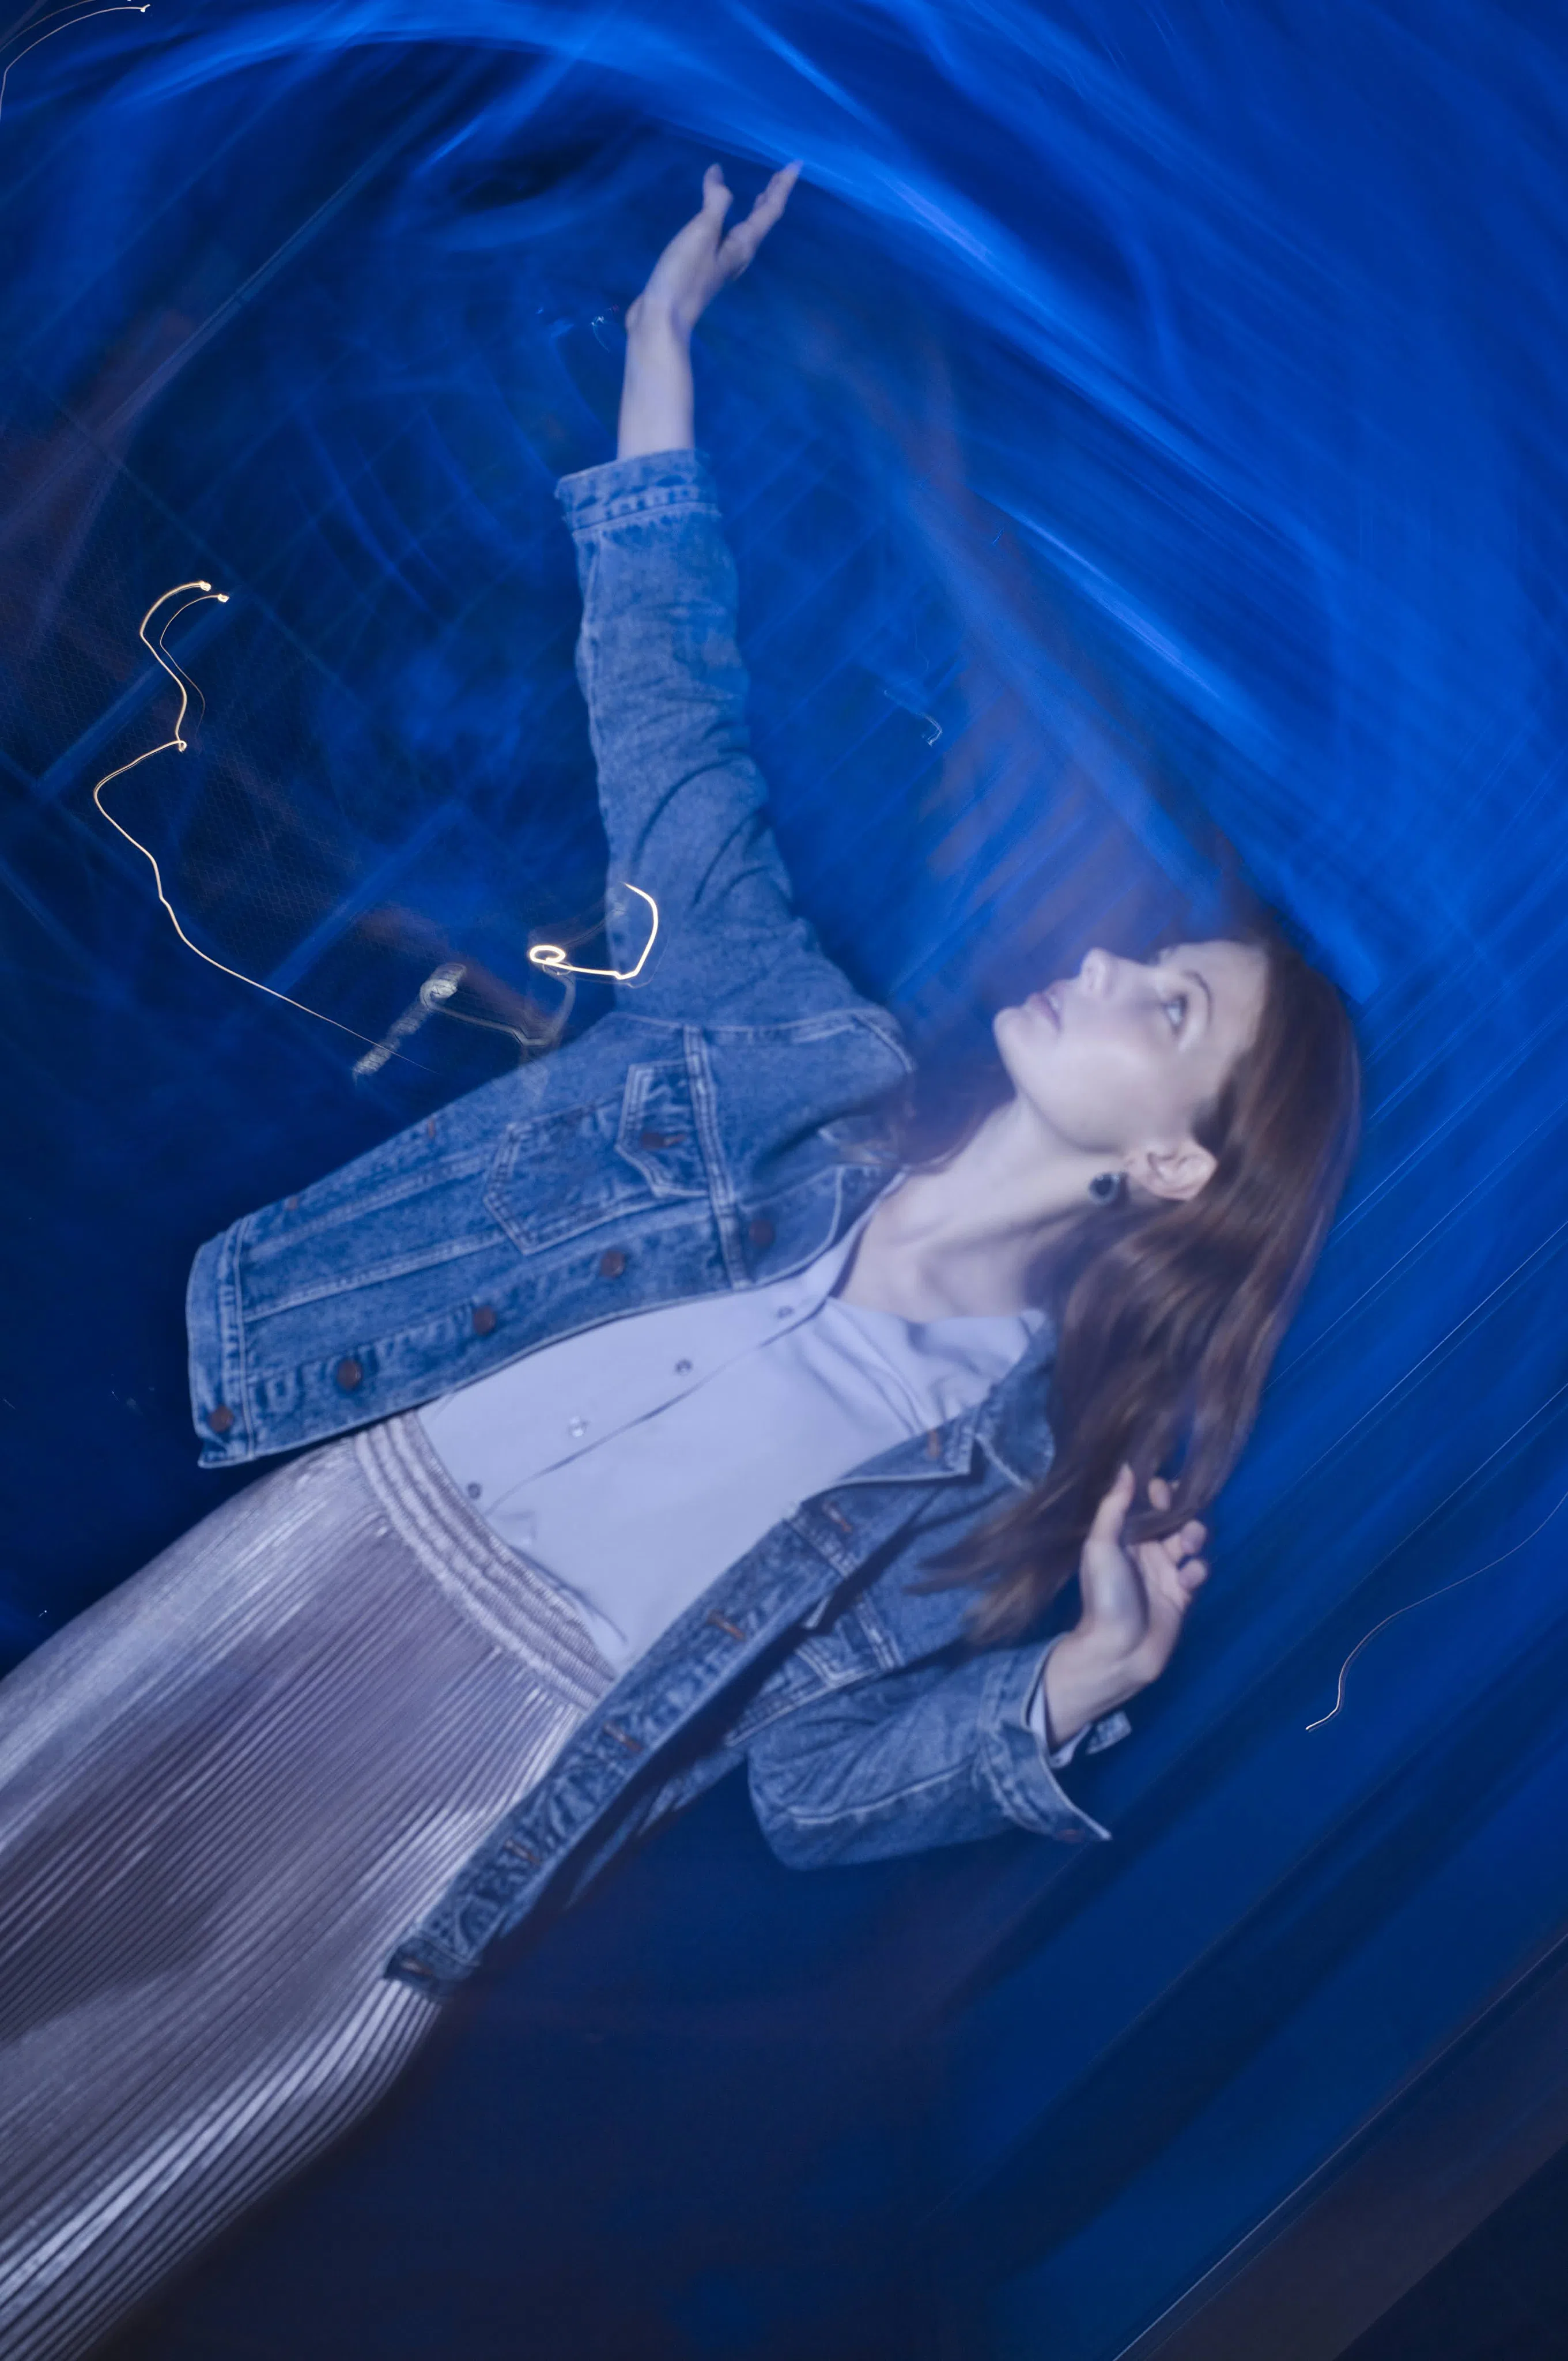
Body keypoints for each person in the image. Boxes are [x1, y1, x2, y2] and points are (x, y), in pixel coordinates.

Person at [0, 163, 1359, 2360]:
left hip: (453, 1813)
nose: (1114, 963)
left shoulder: (992, 1474)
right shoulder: (791, 1047)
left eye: (1171, 1004)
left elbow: (814, 1788)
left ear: (1180, 1164)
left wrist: (1073, 1686)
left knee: (62, 2175)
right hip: (297, 1572)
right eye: (1154, 952)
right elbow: (672, 736)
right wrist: (661, 361)